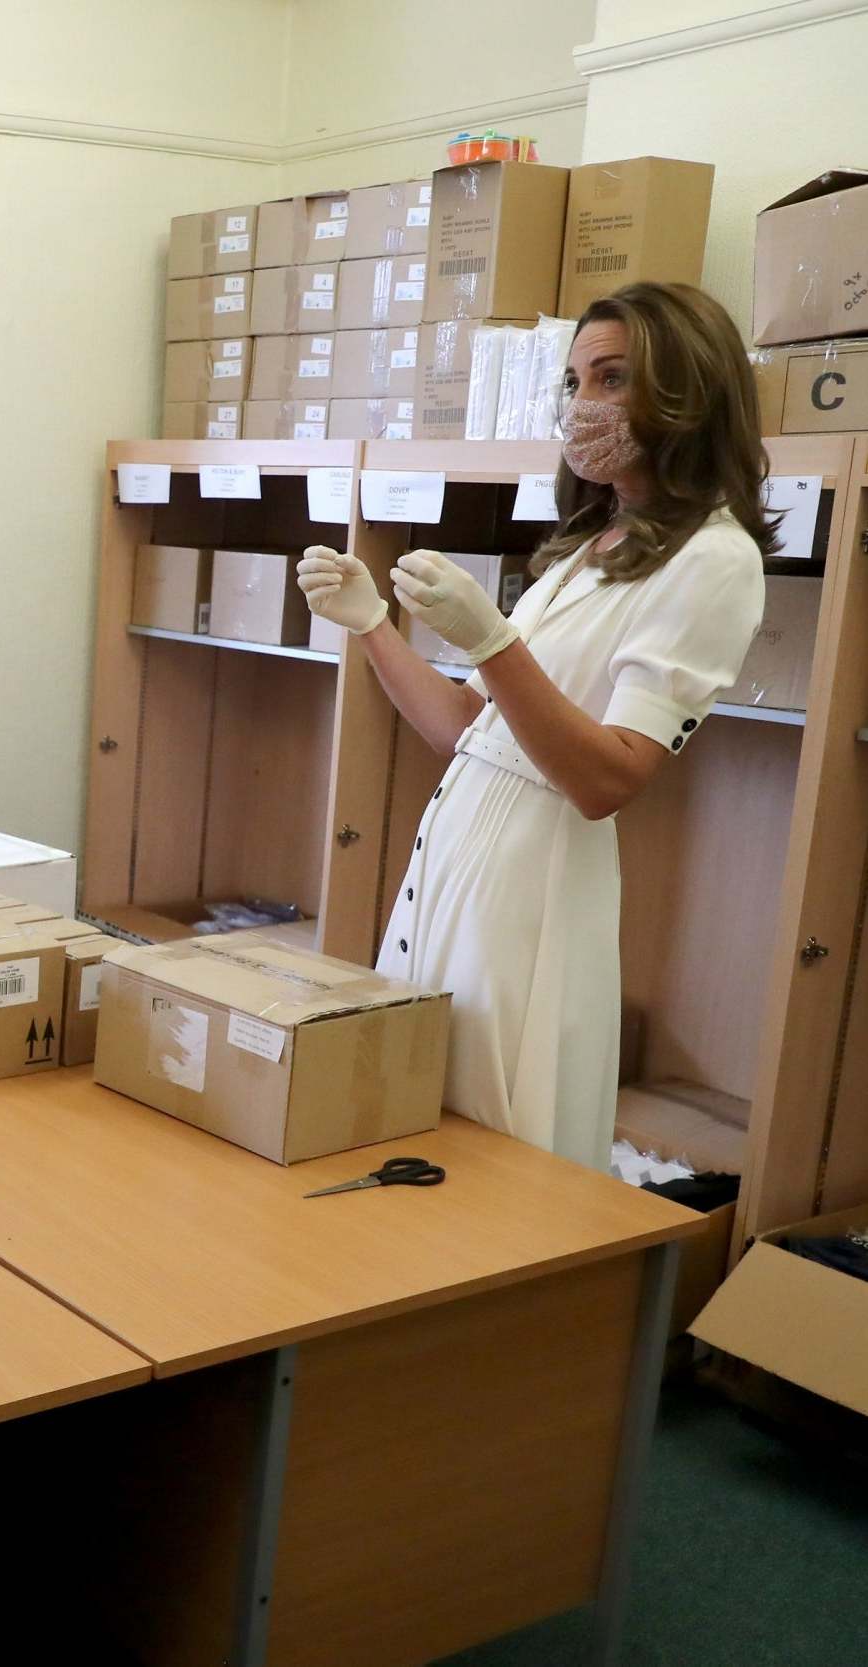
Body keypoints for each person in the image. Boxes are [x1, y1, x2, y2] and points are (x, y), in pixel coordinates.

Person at [297, 282, 771, 1169]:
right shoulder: (589, 545)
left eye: (614, 378)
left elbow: (607, 779)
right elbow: (469, 730)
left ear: (689, 394)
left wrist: (495, 639)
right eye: (574, 380)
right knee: (418, 1114)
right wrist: (373, 629)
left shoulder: (716, 559)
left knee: (499, 1139)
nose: (583, 403)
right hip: (459, 860)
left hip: (537, 878)